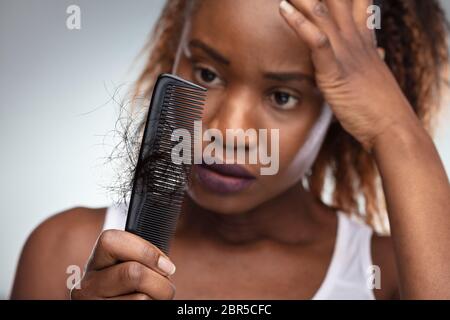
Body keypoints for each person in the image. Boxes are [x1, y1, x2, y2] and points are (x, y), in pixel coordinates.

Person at [11, 0, 450, 299]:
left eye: (283, 96)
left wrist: (394, 130)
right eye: (206, 72)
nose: (227, 130)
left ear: (344, 107)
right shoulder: (63, 252)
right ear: (173, 53)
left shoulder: (389, 275)